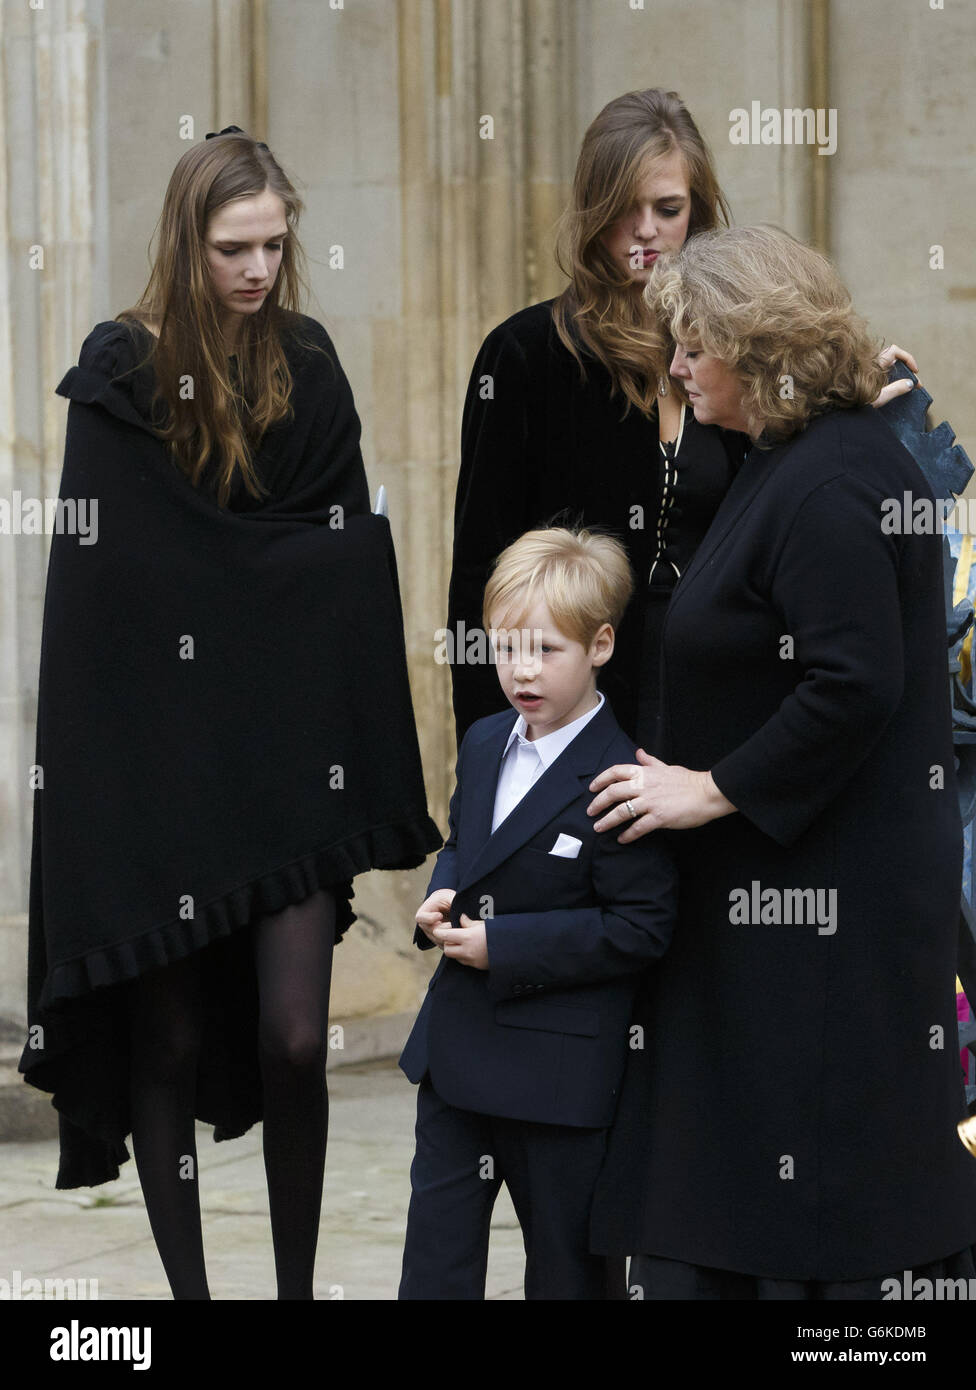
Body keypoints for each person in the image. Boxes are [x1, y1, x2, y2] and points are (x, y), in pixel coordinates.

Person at [19, 125, 442, 1300]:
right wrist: (258, 575)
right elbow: (111, 592)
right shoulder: (122, 371)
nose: (256, 268)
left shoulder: (307, 363)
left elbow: (349, 561)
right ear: (186, 242)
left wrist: (238, 577)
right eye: (231, 247)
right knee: (167, 1040)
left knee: (295, 1037)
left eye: (272, 243)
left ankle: (298, 1295)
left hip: (286, 764)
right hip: (157, 771)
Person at [586, 224, 976, 1297]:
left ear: (756, 349)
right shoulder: (790, 460)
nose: (674, 366)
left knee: (827, 1207)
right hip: (781, 903)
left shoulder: (831, 481)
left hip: (825, 910)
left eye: (693, 346)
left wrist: (710, 788)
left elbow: (855, 683)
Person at [448, 88, 916, 753]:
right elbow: (481, 572)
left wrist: (843, 402)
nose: (646, 232)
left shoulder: (736, 356)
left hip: (726, 692)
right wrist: (486, 754)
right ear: (592, 214)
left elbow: (790, 496)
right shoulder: (526, 355)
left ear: (695, 212)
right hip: (579, 700)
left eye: (668, 209)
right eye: (623, 211)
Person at [397, 527, 678, 1300]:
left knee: (567, 1275)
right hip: (456, 1054)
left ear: (602, 646)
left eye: (547, 650)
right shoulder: (486, 741)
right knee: (434, 1268)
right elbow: (467, 843)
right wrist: (443, 893)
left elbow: (640, 926)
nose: (522, 670)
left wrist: (505, 947)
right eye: (506, 647)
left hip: (560, 1076)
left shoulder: (623, 775)